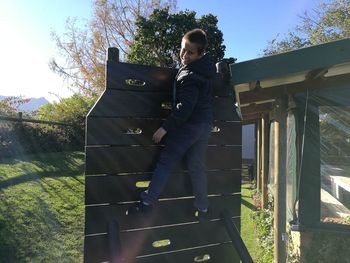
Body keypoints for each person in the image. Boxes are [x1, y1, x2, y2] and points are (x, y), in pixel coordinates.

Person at [129, 28, 216, 220]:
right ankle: (203, 208)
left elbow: (185, 108)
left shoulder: (190, 75)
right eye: (183, 49)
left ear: (200, 54)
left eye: (190, 52)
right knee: (196, 166)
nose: (184, 55)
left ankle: (147, 201)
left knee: (166, 162)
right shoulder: (206, 71)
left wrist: (164, 128)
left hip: (189, 126)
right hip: (204, 126)